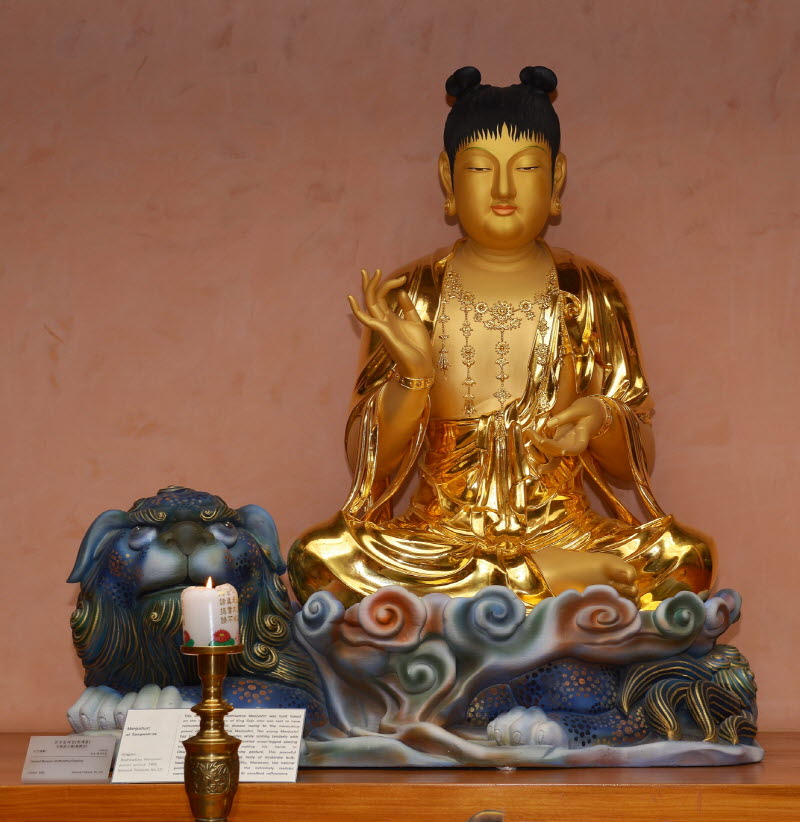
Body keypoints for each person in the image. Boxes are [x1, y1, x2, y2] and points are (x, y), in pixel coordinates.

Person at [288, 66, 714, 611]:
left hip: (567, 531)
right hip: (442, 536)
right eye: (480, 169)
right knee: (318, 561)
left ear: (557, 178)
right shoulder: (411, 294)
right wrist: (414, 379)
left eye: (527, 167)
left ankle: (501, 587)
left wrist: (601, 418)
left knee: (687, 559)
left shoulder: (593, 293)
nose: (505, 189)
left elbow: (636, 461)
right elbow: (368, 463)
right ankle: (539, 581)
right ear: (448, 179)